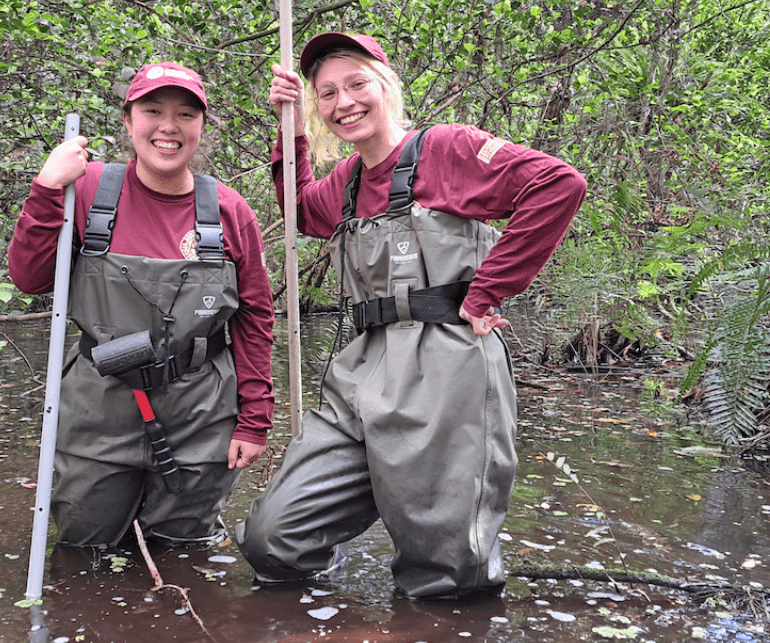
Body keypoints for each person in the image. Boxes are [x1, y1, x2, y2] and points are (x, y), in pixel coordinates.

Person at [236, 33, 586, 598]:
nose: (343, 102)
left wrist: (487, 292)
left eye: (356, 84)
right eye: (326, 94)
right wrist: (291, 131)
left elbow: (558, 184)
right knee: (274, 539)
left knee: (446, 577)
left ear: (386, 85)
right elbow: (299, 210)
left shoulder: (448, 149)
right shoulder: (345, 183)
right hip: (363, 367)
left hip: (449, 365)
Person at [8, 62, 274, 550]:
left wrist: (254, 417)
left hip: (201, 411)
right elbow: (30, 280)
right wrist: (46, 190)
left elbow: (254, 319)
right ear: (128, 121)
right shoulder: (84, 189)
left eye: (185, 114)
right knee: (85, 551)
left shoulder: (231, 211)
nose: (168, 127)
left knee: (183, 554)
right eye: (152, 110)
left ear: (201, 127)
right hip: (100, 407)